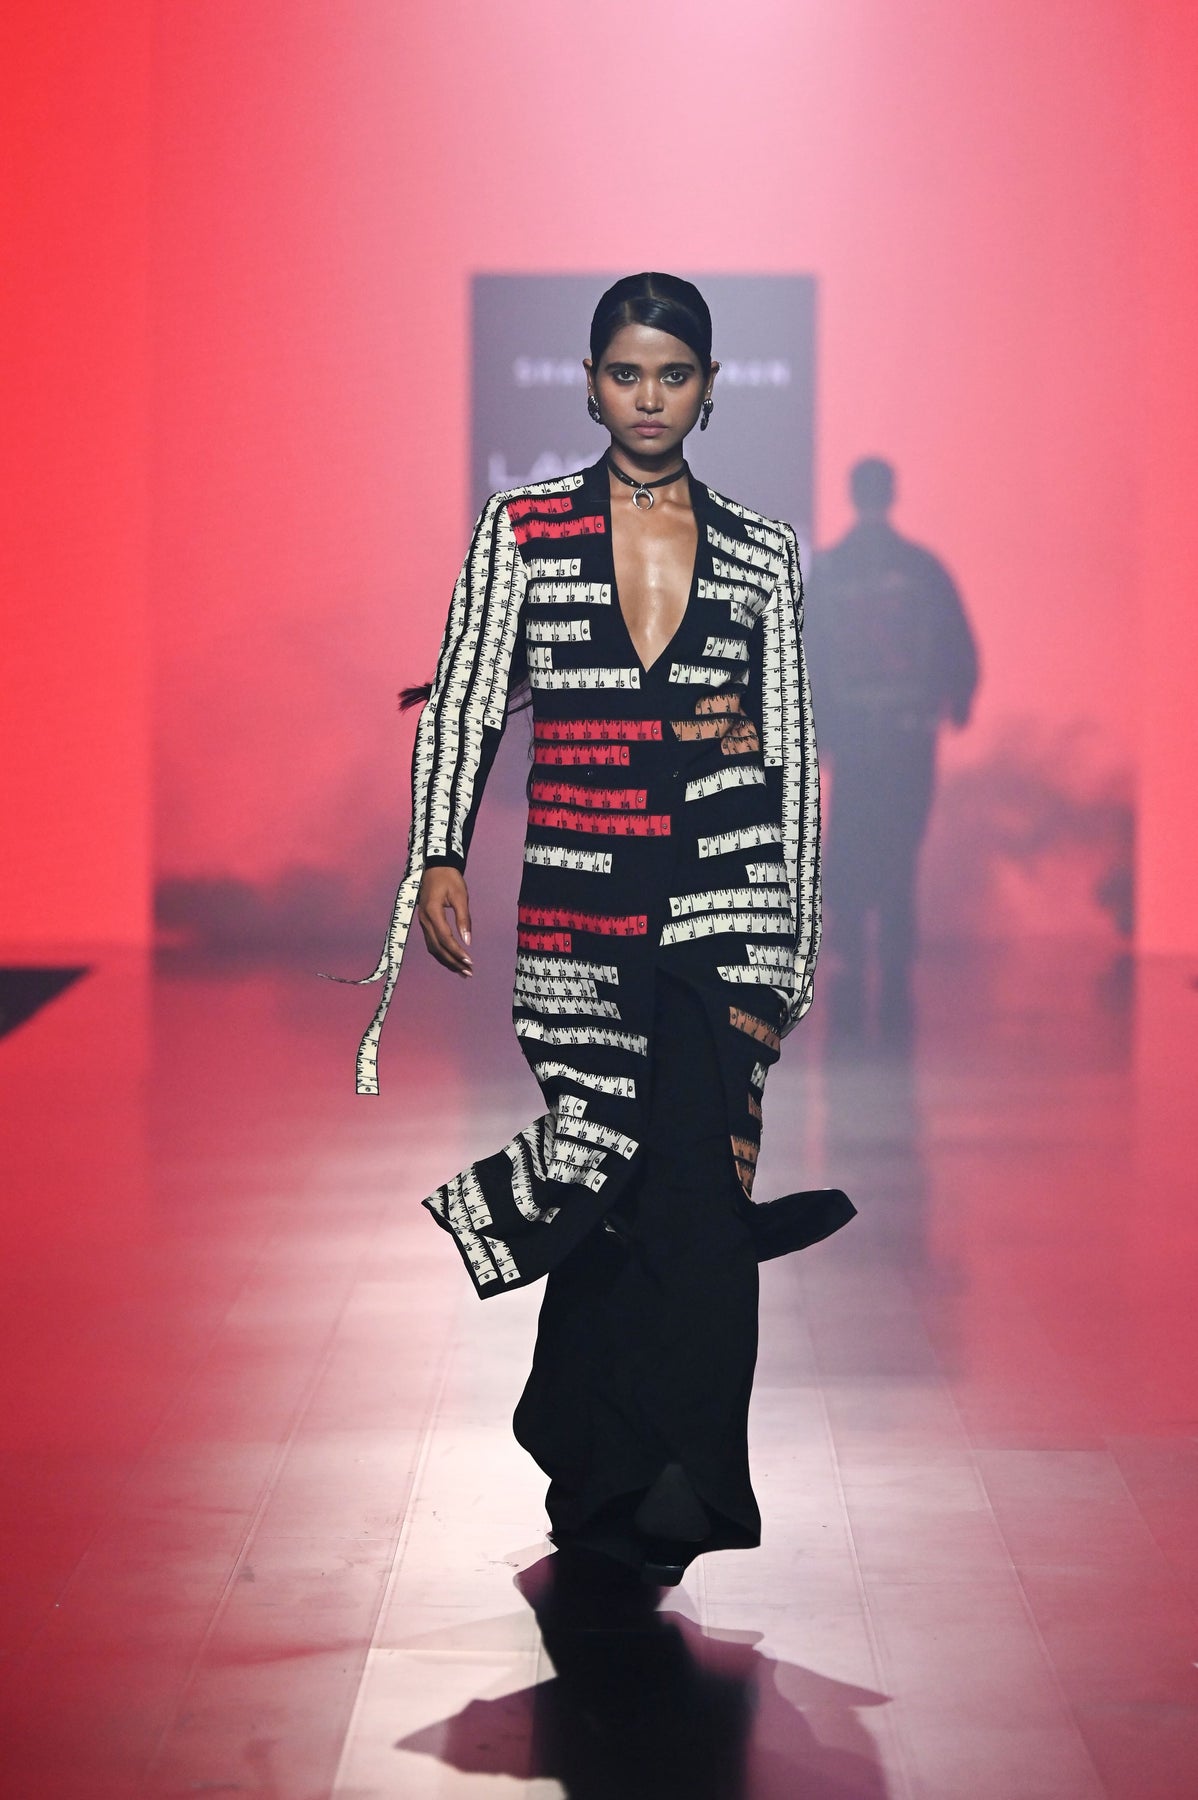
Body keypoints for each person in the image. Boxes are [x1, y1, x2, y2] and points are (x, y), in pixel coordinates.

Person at [342, 273, 853, 1588]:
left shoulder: (762, 550)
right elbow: (468, 697)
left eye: (672, 376)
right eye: (626, 374)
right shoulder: (521, 530)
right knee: (604, 1173)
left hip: (726, 902)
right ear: (587, 383)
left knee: (696, 1185)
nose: (647, 398)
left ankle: (687, 1478)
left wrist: (795, 938)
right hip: (580, 904)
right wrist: (438, 852)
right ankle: (586, 1453)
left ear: (707, 389)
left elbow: (788, 746)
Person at [807, 458, 978, 1043]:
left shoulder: (830, 572)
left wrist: (817, 731)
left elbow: (809, 656)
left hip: (855, 738)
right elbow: (955, 639)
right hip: (909, 734)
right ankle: (894, 950)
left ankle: (852, 946)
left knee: (853, 835)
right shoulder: (921, 568)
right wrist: (958, 699)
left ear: (853, 495)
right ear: (892, 494)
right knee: (902, 839)